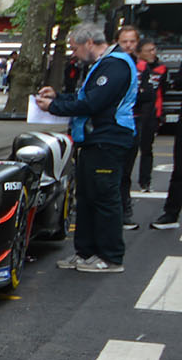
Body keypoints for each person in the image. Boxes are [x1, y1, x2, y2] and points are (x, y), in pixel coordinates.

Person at [35, 22, 136, 273]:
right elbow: (84, 98)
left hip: (108, 139)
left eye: (75, 48)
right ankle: (86, 252)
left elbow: (93, 103)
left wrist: (54, 107)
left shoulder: (116, 65)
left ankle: (111, 257)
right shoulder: (103, 65)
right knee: (88, 197)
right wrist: (58, 97)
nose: (74, 54)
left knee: (104, 198)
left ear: (89, 43)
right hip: (95, 139)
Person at [132, 39, 164, 196]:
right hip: (134, 114)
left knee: (147, 149)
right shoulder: (134, 67)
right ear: (140, 53)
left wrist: (159, 114)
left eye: (154, 49)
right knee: (129, 150)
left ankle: (145, 181)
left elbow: (161, 93)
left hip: (151, 114)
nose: (153, 53)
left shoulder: (162, 68)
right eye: (149, 50)